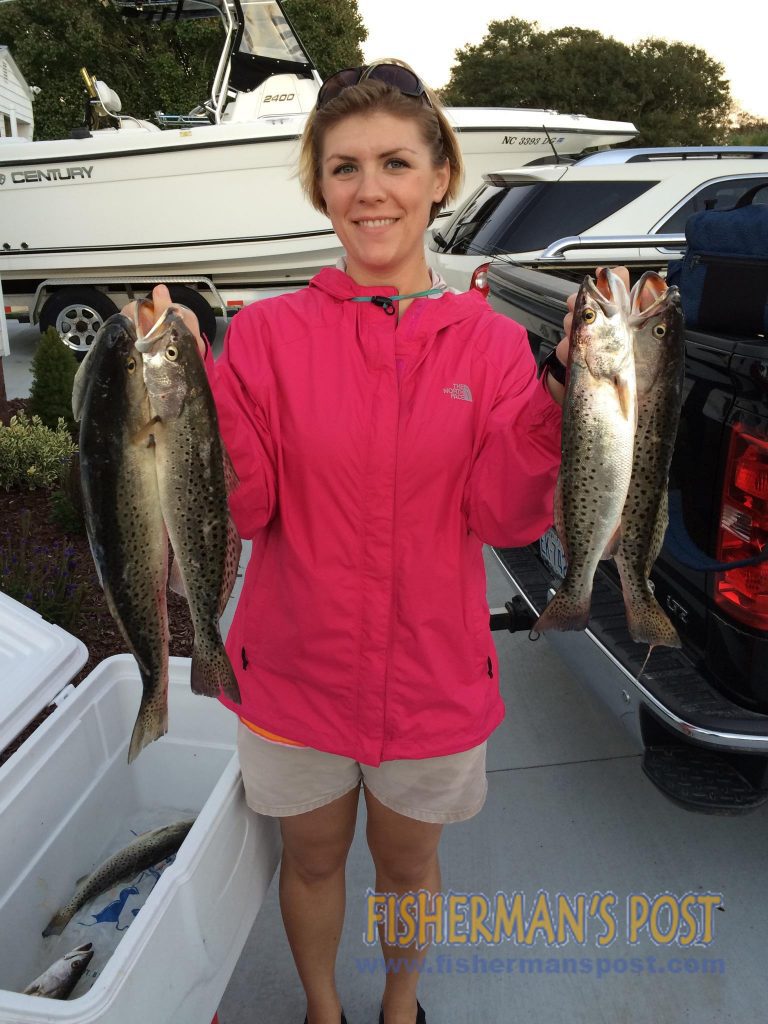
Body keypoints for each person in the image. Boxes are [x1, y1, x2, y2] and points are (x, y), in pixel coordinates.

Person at [134, 60, 568, 1024]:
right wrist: (190, 398)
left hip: (433, 682)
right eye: (343, 169)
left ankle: (401, 1005)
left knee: (410, 870)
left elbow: (506, 518)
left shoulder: (494, 346)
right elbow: (243, 509)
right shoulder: (269, 334)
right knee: (314, 860)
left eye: (395, 164)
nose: (370, 191)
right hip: (293, 674)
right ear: (319, 185)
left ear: (440, 176)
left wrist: (560, 410)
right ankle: (324, 1010)